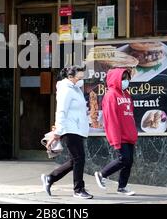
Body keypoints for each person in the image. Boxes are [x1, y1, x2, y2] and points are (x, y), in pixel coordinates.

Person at [41, 65, 93, 199]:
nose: (82, 79)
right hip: (69, 129)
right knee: (79, 158)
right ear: (70, 77)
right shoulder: (65, 89)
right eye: (80, 77)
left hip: (77, 128)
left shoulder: (75, 89)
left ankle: (50, 178)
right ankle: (78, 189)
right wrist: (57, 132)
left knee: (74, 160)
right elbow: (61, 111)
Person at [94, 68, 138, 196]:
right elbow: (110, 119)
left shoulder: (127, 94)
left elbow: (130, 116)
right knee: (123, 159)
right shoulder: (110, 95)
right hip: (119, 135)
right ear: (116, 79)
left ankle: (122, 187)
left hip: (129, 135)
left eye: (127, 79)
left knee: (129, 162)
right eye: (123, 78)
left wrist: (133, 134)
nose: (125, 81)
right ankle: (102, 174)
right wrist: (115, 139)